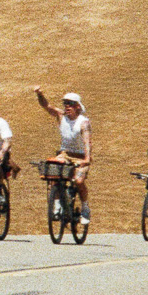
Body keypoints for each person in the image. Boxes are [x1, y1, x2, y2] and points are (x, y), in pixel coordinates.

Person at [34, 87, 92, 221]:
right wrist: (40, 94)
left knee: (79, 180)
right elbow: (46, 106)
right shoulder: (61, 117)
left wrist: (87, 158)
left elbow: (87, 142)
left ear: (77, 106)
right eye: (65, 103)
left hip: (80, 156)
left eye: (70, 104)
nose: (67, 107)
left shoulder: (83, 122)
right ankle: (57, 205)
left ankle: (85, 207)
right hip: (64, 154)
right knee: (53, 174)